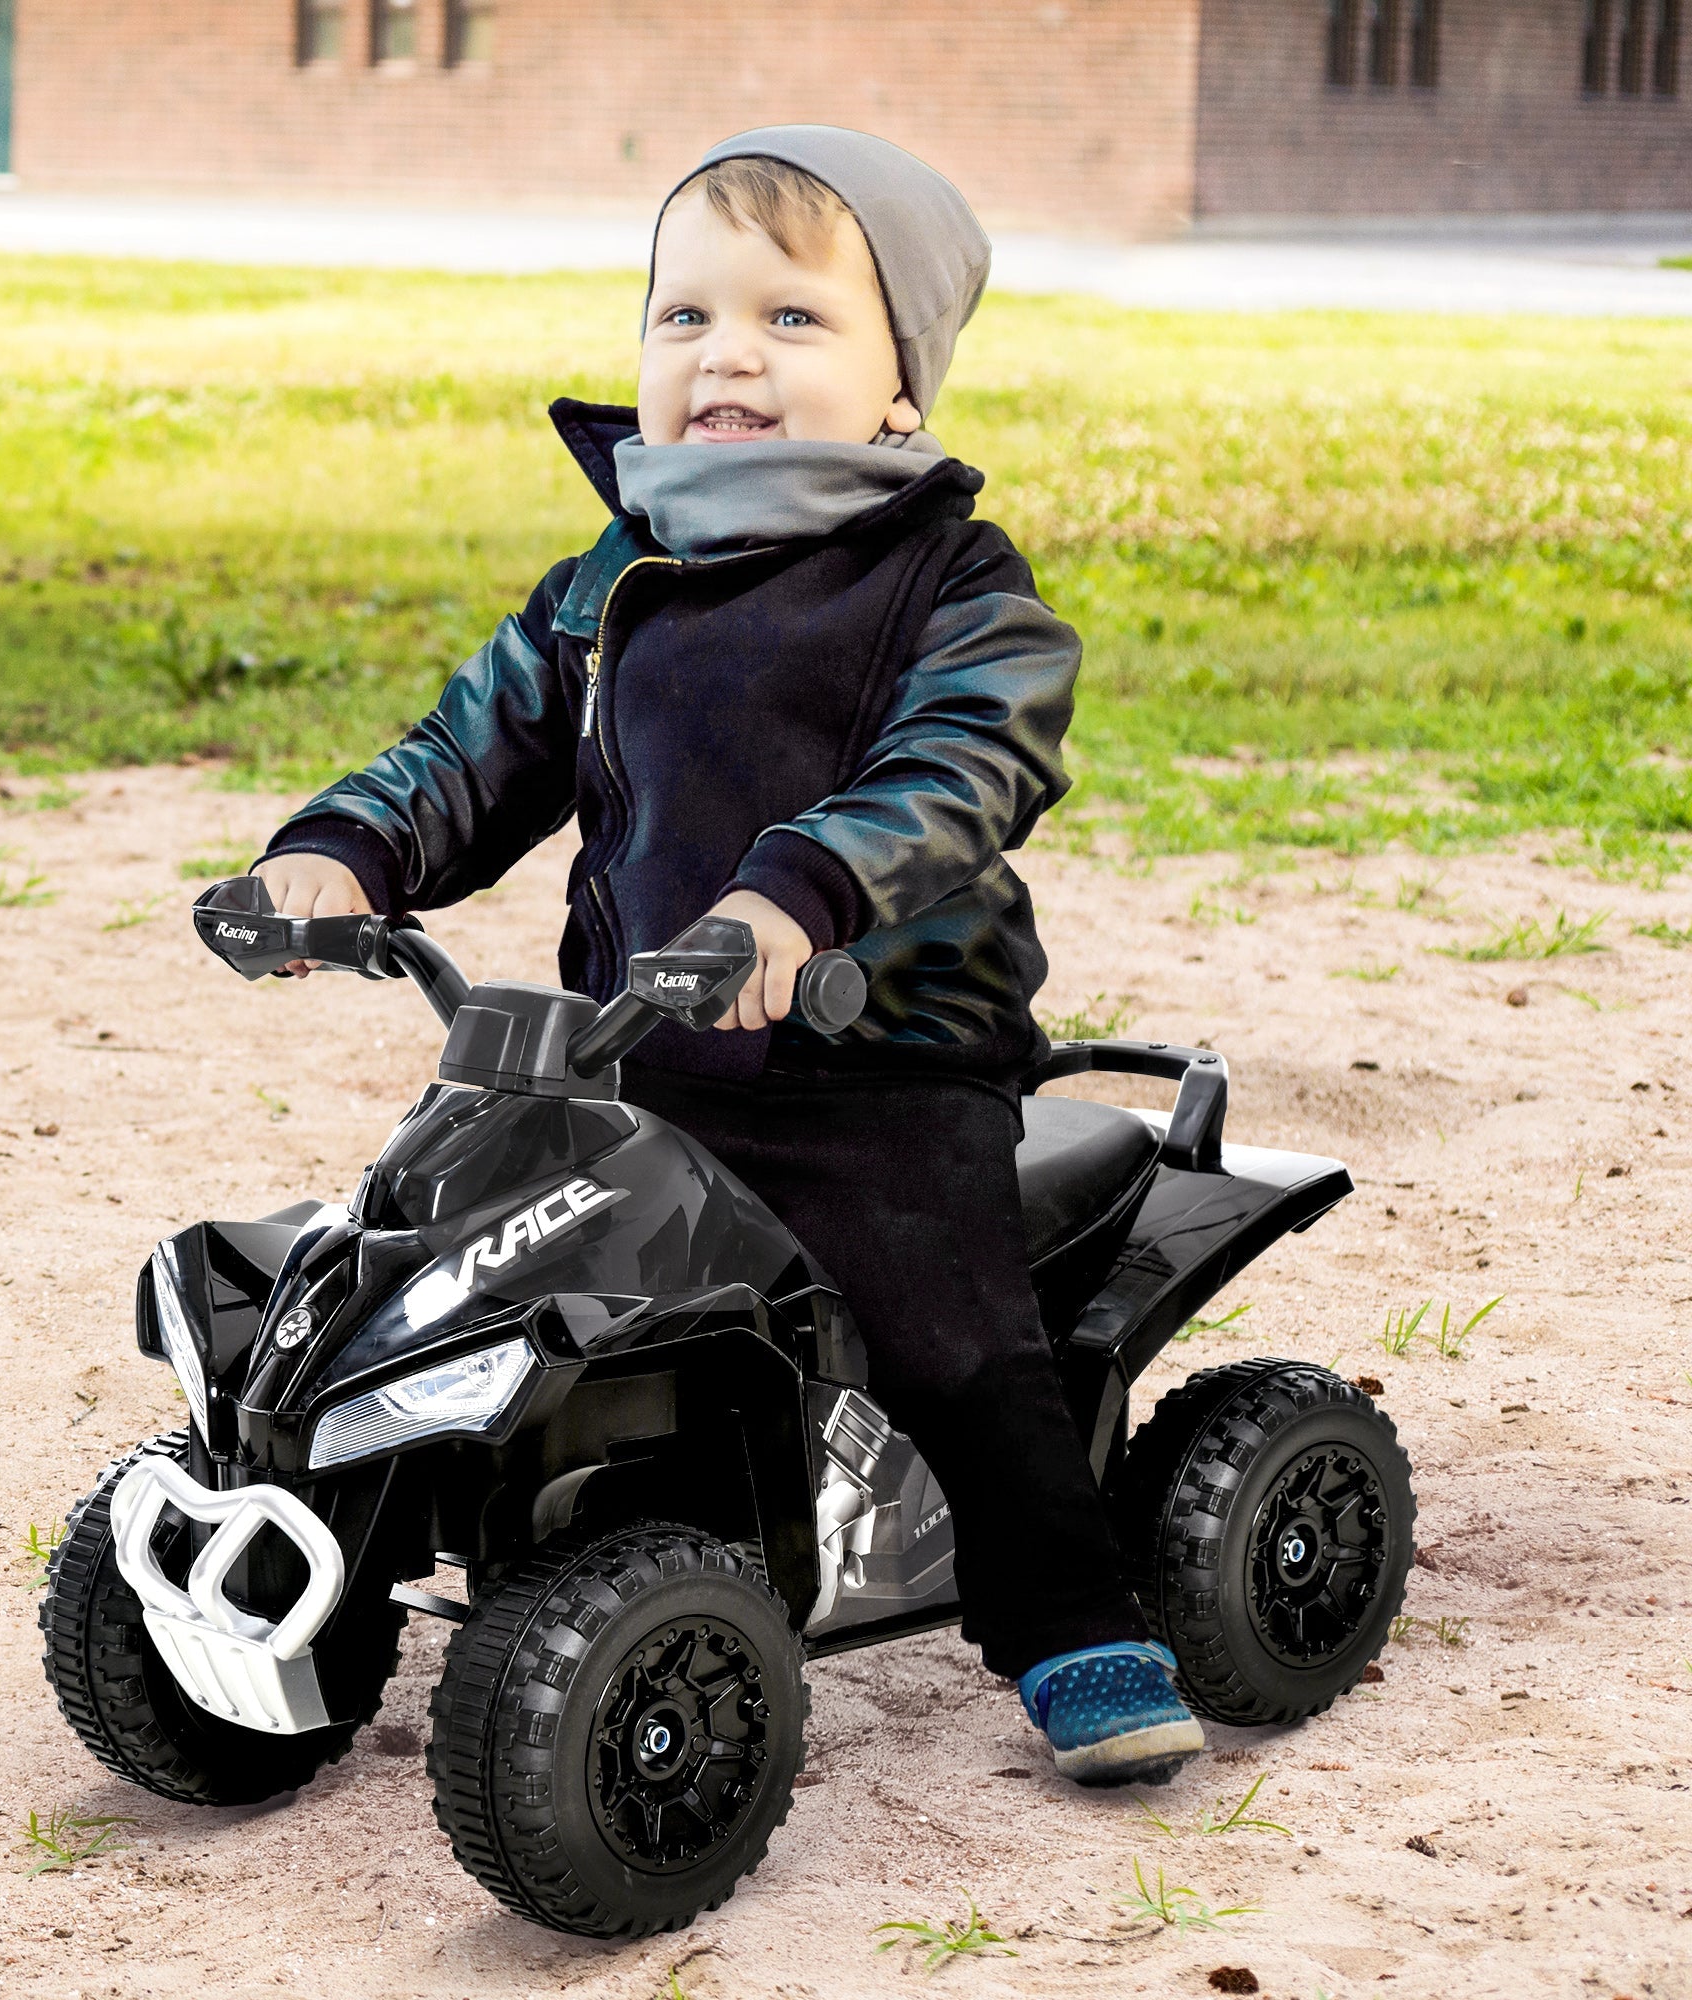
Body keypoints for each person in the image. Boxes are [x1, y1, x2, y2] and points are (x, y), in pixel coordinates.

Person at [251, 126, 1203, 1788]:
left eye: (791, 318)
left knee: (945, 1328)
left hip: (872, 1061)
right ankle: (327, 1567)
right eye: (682, 316)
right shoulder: (610, 580)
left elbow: (963, 769)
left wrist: (792, 899)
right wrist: (347, 848)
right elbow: (473, 752)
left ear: (905, 381)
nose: (726, 354)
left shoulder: (952, 584)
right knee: (422, 1262)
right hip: (626, 1058)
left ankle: (1073, 1617)